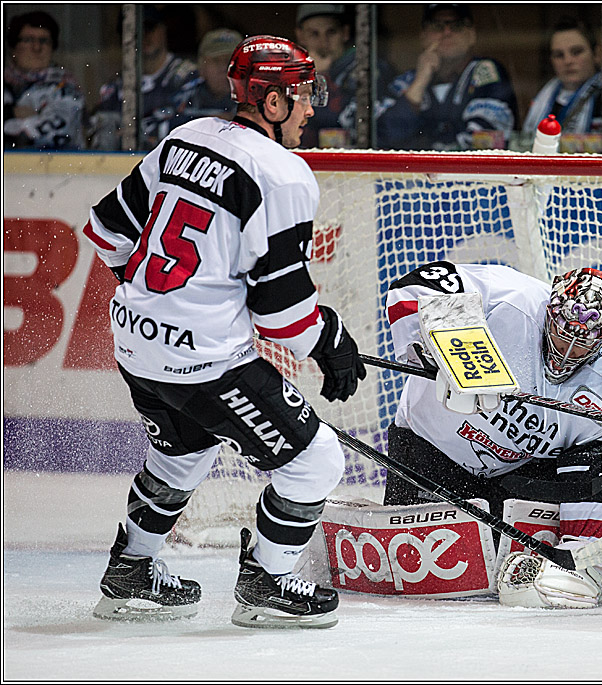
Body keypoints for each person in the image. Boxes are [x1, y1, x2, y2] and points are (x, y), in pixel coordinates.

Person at [83, 35, 367, 629]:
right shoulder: (283, 173)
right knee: (315, 461)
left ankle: (131, 571)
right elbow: (284, 317)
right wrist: (333, 344)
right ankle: (268, 581)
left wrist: (165, 300)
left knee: (182, 451)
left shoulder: (184, 138)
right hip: (205, 359)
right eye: (302, 95)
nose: (312, 107)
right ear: (269, 102)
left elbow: (106, 230)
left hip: (134, 341)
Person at [383, 262, 602, 608]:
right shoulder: (508, 296)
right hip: (428, 453)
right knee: (415, 567)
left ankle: (585, 564)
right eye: (561, 330)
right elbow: (415, 286)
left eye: (583, 341)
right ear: (550, 308)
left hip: (512, 478)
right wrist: (447, 355)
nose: (568, 349)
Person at [377, 4, 518, 151]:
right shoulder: (406, 81)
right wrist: (420, 82)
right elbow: (382, 139)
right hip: (415, 173)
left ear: (471, 35)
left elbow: (485, 144)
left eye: (457, 25)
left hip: (464, 174)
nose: (447, 32)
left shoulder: (485, 72)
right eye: (437, 26)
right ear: (423, 36)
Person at [88, 6, 199, 150]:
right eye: (133, 31)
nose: (143, 36)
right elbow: (96, 131)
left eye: (149, 28)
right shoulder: (115, 87)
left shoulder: (188, 77)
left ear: (163, 30)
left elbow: (193, 129)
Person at [293, 3, 397, 148]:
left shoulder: (367, 69)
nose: (323, 43)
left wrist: (320, 77)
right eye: (314, 34)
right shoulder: (290, 73)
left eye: (331, 32)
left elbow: (346, 122)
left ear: (345, 33)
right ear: (300, 35)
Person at [3, 10, 84, 150]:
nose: (36, 47)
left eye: (44, 41)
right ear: (13, 48)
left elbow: (55, 134)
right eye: (28, 40)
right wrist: (12, 113)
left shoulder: (64, 87)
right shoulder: (5, 84)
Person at [522, 17, 602, 142]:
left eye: (576, 52)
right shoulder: (542, 98)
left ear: (596, 54)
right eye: (559, 55)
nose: (568, 61)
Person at [170, 28, 242, 128]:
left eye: (230, 60)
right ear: (201, 66)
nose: (223, 68)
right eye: (216, 60)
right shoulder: (183, 99)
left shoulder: (254, 102)